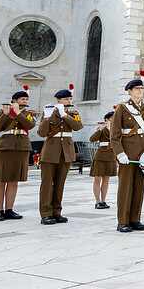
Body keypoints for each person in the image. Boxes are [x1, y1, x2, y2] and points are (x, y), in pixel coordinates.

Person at [110, 71, 144, 232]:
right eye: (137, 88)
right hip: (128, 154)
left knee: (139, 186)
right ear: (130, 91)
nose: (140, 91)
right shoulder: (122, 108)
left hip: (143, 153)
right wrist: (120, 154)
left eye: (141, 88)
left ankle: (135, 219)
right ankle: (123, 221)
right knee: (125, 187)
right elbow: (115, 135)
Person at [37, 85, 83, 225]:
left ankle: (57, 211)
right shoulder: (49, 112)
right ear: (58, 100)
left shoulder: (73, 113)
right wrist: (46, 119)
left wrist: (65, 115)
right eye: (65, 99)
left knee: (60, 183)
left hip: (66, 151)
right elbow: (42, 133)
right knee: (47, 183)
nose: (69, 101)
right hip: (51, 151)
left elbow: (78, 126)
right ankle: (46, 213)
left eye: (70, 99)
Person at [0, 86, 35, 221]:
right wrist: (5, 114)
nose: (25, 101)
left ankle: (9, 209)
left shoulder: (29, 113)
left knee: (14, 180)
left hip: (21, 147)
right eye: (22, 99)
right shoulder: (4, 111)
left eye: (26, 99)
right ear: (14, 100)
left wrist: (18, 112)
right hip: (5, 147)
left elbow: (30, 126)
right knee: (0, 180)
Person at [89, 111, 117, 209]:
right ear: (107, 119)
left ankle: (103, 200)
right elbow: (92, 139)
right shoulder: (102, 129)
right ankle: (97, 201)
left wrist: (110, 130)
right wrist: (100, 130)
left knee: (106, 180)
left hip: (111, 156)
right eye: (112, 118)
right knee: (98, 178)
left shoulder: (116, 130)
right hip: (101, 155)